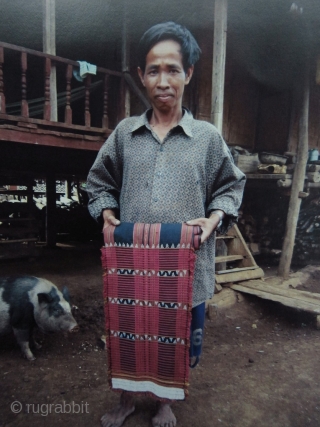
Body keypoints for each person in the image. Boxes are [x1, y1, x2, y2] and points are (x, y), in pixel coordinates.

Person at [87, 21, 246, 427]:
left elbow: (230, 186)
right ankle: (125, 399)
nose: (162, 80)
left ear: (188, 74)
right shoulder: (125, 134)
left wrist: (213, 220)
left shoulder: (207, 138)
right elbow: (99, 180)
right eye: (153, 70)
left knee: (173, 338)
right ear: (141, 76)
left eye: (172, 69)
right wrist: (105, 210)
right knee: (128, 330)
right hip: (132, 263)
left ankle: (163, 403)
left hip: (185, 265)